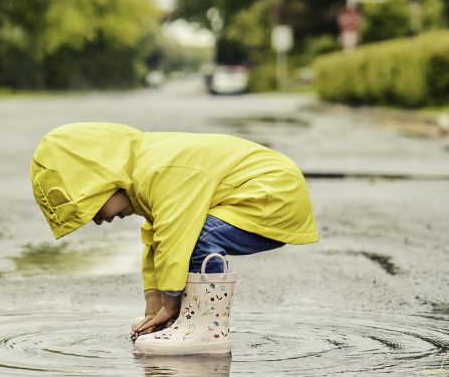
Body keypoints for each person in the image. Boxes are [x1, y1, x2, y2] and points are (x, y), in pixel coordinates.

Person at [30, 122, 318, 355]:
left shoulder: (156, 170)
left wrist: (170, 305)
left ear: (100, 180)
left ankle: (205, 328)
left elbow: (175, 236)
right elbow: (155, 240)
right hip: (260, 193)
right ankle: (189, 321)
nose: (96, 220)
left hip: (272, 196)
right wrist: (153, 307)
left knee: (195, 236)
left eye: (91, 208)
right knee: (180, 237)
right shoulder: (140, 174)